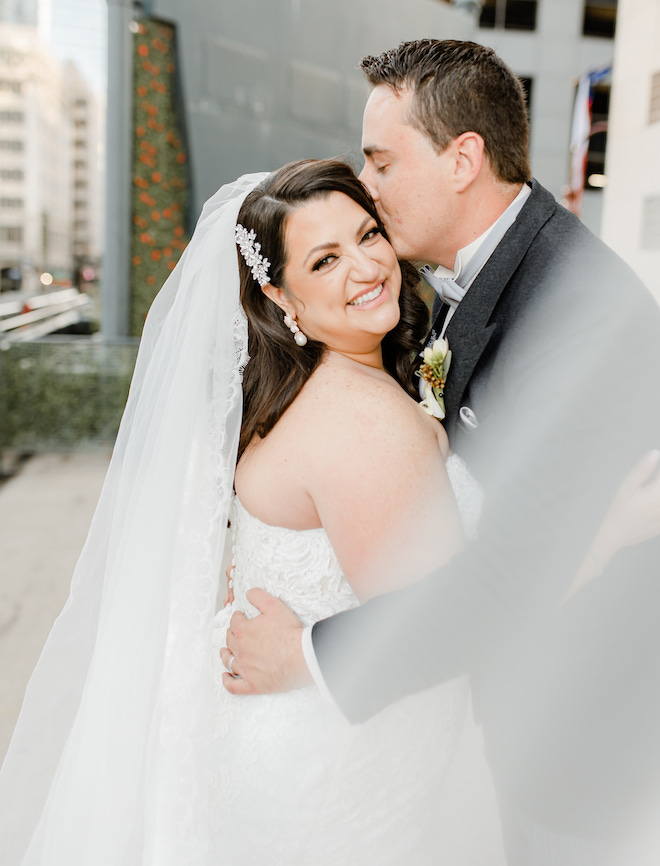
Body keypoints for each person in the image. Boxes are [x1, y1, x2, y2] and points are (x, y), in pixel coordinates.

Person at [0, 154, 657, 866]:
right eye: (325, 260)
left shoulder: (282, 395)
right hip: (346, 768)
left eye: (368, 235)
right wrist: (601, 541)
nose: (366, 267)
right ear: (282, 297)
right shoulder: (366, 421)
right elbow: (445, 622)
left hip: (282, 744)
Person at [221, 40, 660, 863]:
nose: (370, 185)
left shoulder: (579, 314)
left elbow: (505, 582)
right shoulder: (452, 292)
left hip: (579, 755)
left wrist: (309, 653)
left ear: (463, 160)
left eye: (381, 162)